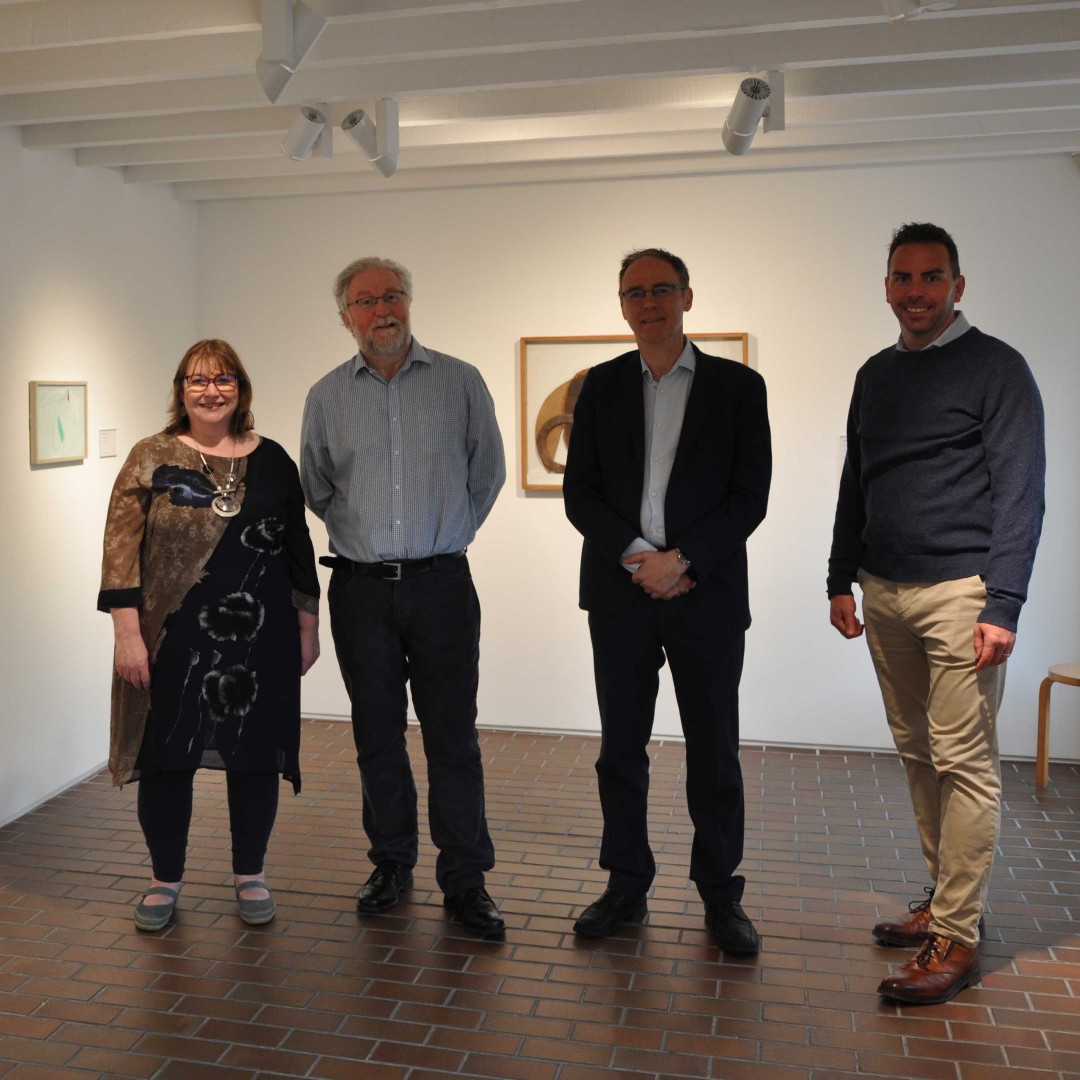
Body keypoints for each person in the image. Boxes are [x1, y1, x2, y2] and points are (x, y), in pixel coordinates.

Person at [828, 222, 1045, 1005]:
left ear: (958, 285)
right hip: (883, 590)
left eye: (931, 277)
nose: (915, 291)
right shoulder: (873, 375)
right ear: (886, 286)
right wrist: (838, 578)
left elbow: (1021, 493)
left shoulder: (998, 369)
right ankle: (946, 905)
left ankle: (956, 936)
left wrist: (1005, 603)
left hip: (962, 595)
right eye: (902, 277)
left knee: (966, 764)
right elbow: (858, 480)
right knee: (919, 753)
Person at [562, 248, 771, 953]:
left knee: (714, 752)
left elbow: (750, 497)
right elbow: (579, 493)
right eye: (634, 292)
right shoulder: (600, 387)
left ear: (687, 297)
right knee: (620, 750)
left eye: (661, 289)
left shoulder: (739, 388)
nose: (648, 302)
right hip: (621, 597)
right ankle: (626, 886)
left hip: (704, 594)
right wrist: (639, 561)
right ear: (622, 305)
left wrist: (682, 561)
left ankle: (720, 896)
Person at [300, 256, 507, 938]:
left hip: (442, 585)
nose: (381, 310)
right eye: (365, 301)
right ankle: (391, 864)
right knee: (376, 737)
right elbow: (318, 487)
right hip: (360, 590)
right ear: (345, 316)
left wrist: (443, 536)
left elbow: (488, 473)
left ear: (410, 302)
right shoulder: (327, 397)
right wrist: (370, 539)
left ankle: (465, 879)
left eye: (392, 296)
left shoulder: (460, 382)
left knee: (454, 738)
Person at [99, 339, 320, 932]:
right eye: (197, 380)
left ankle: (250, 874)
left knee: (255, 756)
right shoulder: (152, 455)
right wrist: (127, 635)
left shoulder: (272, 458)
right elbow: (120, 550)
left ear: (241, 389)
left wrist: (308, 622)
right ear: (180, 391)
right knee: (168, 758)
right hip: (171, 636)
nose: (211, 390)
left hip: (261, 636)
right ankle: (164, 879)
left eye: (223, 378)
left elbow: (296, 543)